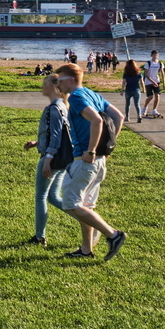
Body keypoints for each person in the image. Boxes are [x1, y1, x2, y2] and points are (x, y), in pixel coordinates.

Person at [54, 63, 126, 261]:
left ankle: (113, 235)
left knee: (70, 204)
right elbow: (118, 116)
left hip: (85, 159)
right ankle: (86, 250)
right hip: (99, 161)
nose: (57, 85)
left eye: (59, 80)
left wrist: (92, 149)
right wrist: (107, 148)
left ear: (70, 79)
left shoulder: (76, 97)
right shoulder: (91, 94)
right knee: (86, 205)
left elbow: (97, 120)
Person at [23, 74, 68, 246]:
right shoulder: (62, 106)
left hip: (51, 159)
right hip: (61, 159)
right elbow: (57, 134)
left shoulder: (54, 109)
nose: (42, 86)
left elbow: (56, 137)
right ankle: (87, 219)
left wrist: (48, 159)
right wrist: (37, 143)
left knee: (41, 197)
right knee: (53, 197)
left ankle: (39, 237)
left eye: (45, 83)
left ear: (54, 87)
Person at [141, 50, 165, 119]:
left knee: (157, 96)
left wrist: (164, 83)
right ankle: (144, 108)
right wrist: (152, 82)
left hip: (156, 81)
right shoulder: (148, 63)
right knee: (150, 97)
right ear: (151, 55)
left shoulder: (160, 63)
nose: (155, 56)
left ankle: (154, 110)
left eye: (157, 55)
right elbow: (146, 75)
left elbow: (162, 74)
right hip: (148, 82)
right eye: (154, 55)